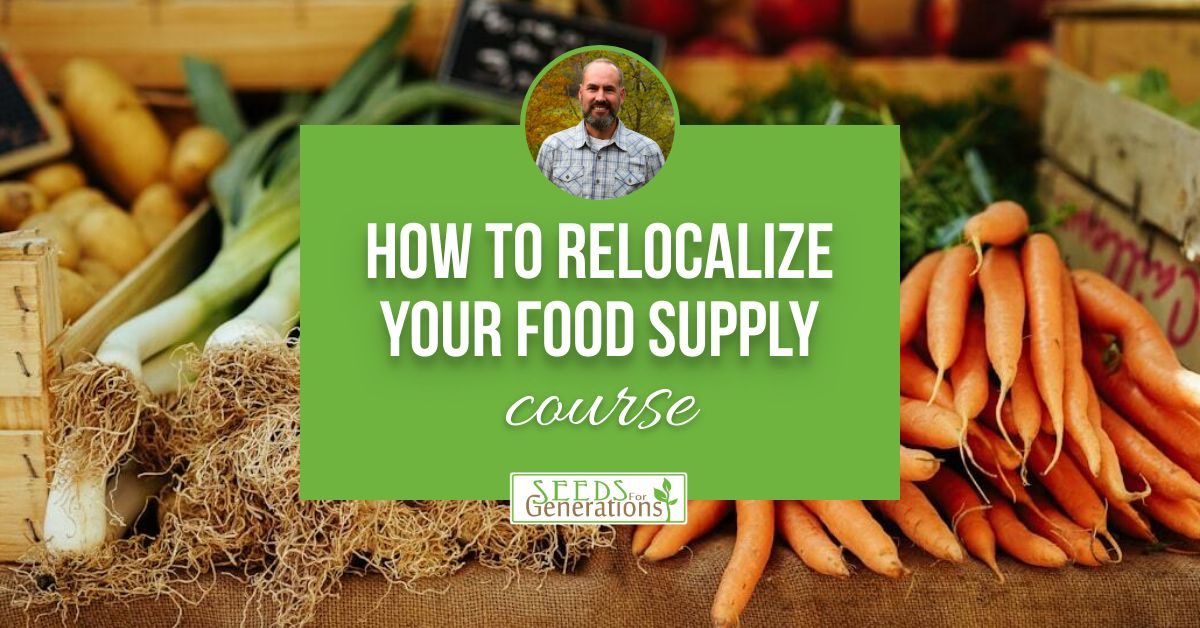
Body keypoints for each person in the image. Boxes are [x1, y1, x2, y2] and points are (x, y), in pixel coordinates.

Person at [535, 58, 665, 200]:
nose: (600, 97)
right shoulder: (553, 147)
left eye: (609, 90)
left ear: (621, 96)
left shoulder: (649, 152)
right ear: (580, 94)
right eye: (593, 88)